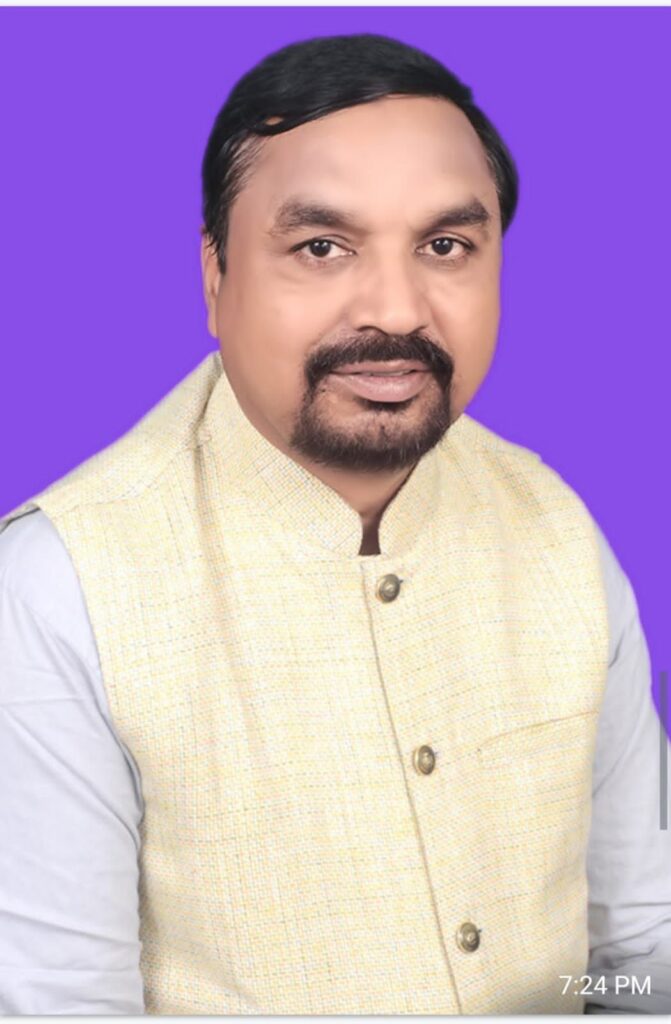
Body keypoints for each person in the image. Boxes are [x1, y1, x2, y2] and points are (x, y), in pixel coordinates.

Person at [0, 32, 669, 1016]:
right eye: (321, 247)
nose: (395, 309)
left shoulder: (558, 533)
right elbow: (58, 1004)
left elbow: (640, 954)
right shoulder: (61, 586)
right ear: (215, 274)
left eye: (444, 247)